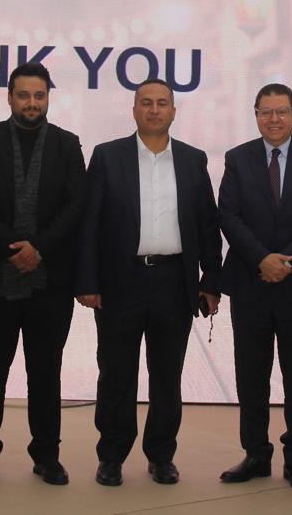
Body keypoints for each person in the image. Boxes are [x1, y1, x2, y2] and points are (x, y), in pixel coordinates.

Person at [75, 79, 221, 487]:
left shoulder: (192, 160)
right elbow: (90, 223)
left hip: (174, 282)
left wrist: (211, 280)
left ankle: (161, 455)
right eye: (146, 103)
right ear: (134, 110)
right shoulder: (107, 156)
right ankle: (111, 456)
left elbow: (208, 224)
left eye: (162, 103)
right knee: (116, 374)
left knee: (167, 375)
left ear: (174, 111)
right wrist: (86, 280)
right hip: (120, 281)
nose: (154, 110)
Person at [0, 62, 86, 485]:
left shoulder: (67, 144)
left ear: (48, 98)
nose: (32, 103)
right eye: (24, 95)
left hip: (50, 282)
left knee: (46, 373)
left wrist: (40, 248)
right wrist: (13, 247)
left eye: (39, 95)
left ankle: (47, 456)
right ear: (10, 97)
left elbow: (75, 204)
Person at [217, 83, 292, 492]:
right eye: (266, 111)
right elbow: (228, 216)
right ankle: (255, 453)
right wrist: (261, 259)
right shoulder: (238, 158)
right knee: (251, 375)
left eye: (282, 111)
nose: (274, 119)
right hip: (251, 282)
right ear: (256, 115)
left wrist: (287, 262)